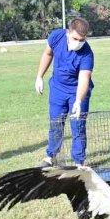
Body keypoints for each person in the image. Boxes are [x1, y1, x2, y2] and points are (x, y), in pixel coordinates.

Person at [35, 17, 94, 167]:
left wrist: (79, 101)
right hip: (57, 89)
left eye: (82, 40)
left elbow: (84, 78)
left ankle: (78, 162)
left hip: (77, 91)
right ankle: (51, 156)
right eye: (75, 38)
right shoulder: (56, 36)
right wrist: (39, 77)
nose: (79, 43)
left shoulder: (87, 53)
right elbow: (48, 54)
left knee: (78, 126)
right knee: (56, 123)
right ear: (68, 32)